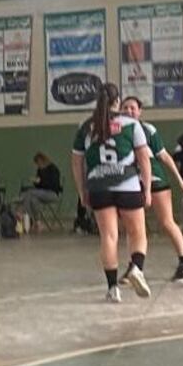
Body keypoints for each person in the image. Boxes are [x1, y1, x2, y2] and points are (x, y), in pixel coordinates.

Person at [71, 83, 152, 303]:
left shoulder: (86, 126)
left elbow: (77, 163)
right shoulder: (131, 124)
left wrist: (82, 191)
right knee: (137, 233)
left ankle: (112, 288)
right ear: (118, 101)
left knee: (109, 236)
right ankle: (136, 267)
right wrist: (148, 187)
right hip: (127, 184)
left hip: (98, 186)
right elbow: (143, 158)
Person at [120, 97, 183, 283]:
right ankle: (134, 267)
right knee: (133, 228)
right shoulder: (118, 130)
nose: (129, 111)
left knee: (166, 221)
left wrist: (180, 181)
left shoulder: (148, 130)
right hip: (132, 183)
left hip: (156, 181)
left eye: (133, 108)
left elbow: (165, 156)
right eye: (125, 108)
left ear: (140, 111)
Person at [17, 152, 62, 227]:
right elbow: (39, 187)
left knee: (29, 193)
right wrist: (36, 182)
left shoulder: (53, 169)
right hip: (41, 193)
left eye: (38, 163)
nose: (38, 165)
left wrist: (41, 181)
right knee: (33, 199)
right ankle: (38, 221)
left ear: (43, 160)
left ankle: (26, 216)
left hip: (52, 193)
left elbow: (53, 185)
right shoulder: (39, 170)